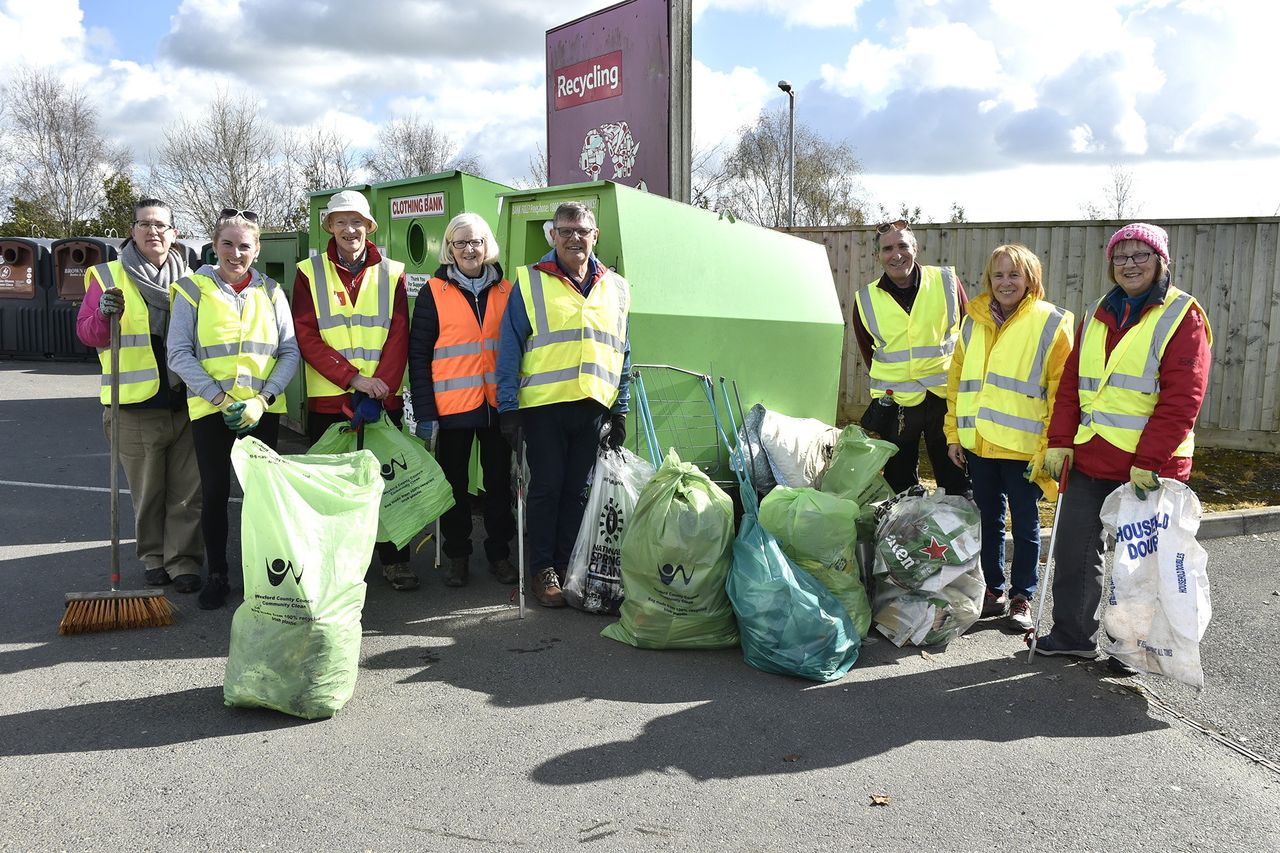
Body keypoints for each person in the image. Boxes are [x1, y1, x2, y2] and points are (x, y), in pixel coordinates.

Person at [1031, 222, 1212, 659]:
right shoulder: (1098, 311)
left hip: (1149, 469)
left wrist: (1150, 459)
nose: (1129, 264)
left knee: (1139, 569)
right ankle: (1072, 637)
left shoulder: (1182, 315)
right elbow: (1072, 383)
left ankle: (1132, 649)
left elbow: (1182, 397)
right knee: (1074, 549)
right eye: (1121, 256)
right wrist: (1059, 440)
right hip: (1091, 456)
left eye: (1140, 255)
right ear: (1111, 264)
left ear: (1160, 261)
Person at [496, 202, 631, 607]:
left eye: (582, 230)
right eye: (566, 230)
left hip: (592, 407)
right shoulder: (531, 282)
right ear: (552, 236)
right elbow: (509, 347)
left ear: (595, 236)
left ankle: (568, 564)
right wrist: (507, 407)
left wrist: (620, 407)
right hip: (544, 408)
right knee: (547, 490)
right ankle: (543, 570)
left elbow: (623, 350)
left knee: (578, 493)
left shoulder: (617, 287)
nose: (575, 237)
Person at [167, 209, 299, 609]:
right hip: (212, 411)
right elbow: (179, 353)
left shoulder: (273, 292)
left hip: (262, 411)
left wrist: (262, 400)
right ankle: (219, 575)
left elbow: (289, 352)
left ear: (257, 249)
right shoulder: (192, 289)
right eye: (228, 244)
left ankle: (262, 576)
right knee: (215, 492)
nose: (236, 253)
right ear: (214, 245)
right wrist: (222, 399)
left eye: (245, 245)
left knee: (262, 497)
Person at [944, 244, 1074, 632]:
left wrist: (1052, 445)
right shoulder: (973, 321)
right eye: (998, 275)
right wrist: (953, 434)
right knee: (989, 520)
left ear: (1031, 279)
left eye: (1014, 275)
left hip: (1024, 447)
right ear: (988, 280)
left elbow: (1060, 391)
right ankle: (993, 589)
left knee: (1026, 523)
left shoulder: (1052, 322)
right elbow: (957, 383)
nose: (1005, 282)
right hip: (978, 444)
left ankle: (1022, 596)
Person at [76, 198, 204, 592]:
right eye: (145, 224)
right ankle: (153, 556)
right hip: (133, 405)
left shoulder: (194, 279)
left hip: (186, 402)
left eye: (161, 225)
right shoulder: (106, 276)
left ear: (174, 233)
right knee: (148, 493)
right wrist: (101, 314)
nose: (154, 232)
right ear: (131, 231)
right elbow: (87, 334)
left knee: (187, 492)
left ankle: (183, 561)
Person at [291, 190, 414, 591]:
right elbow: (305, 335)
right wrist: (353, 379)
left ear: (370, 227)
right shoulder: (308, 272)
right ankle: (338, 566)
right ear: (329, 227)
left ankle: (396, 561)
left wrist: (381, 387)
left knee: (389, 484)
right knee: (333, 490)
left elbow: (399, 334)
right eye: (340, 221)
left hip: (382, 397)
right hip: (331, 398)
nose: (349, 229)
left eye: (357, 221)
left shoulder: (393, 272)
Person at [408, 213, 517, 588]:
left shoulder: (508, 290)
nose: (470, 249)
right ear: (449, 249)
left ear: (487, 246)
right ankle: (458, 556)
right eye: (461, 243)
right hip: (450, 410)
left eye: (476, 242)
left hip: (499, 407)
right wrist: (425, 411)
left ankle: (500, 554)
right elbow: (418, 355)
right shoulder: (433, 292)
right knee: (453, 486)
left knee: (499, 485)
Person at [853, 220, 971, 497]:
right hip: (897, 402)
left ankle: (956, 532)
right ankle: (904, 533)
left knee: (955, 475)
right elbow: (868, 350)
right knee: (898, 478)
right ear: (878, 256)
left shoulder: (947, 283)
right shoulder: (866, 298)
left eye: (903, 246)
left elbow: (970, 336)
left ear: (915, 248)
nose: (896, 255)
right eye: (887, 249)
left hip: (944, 397)